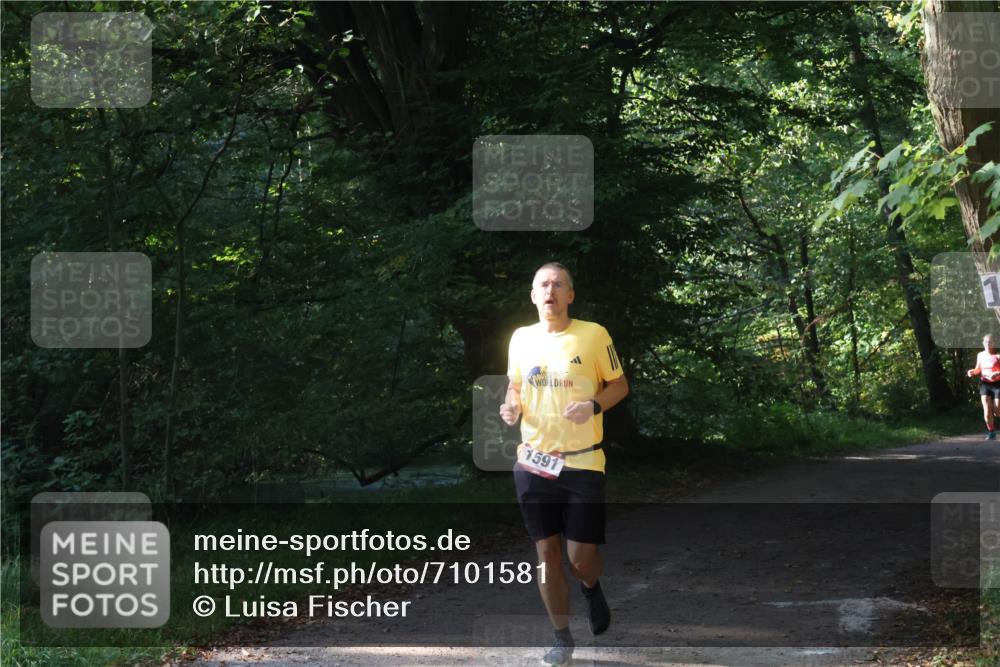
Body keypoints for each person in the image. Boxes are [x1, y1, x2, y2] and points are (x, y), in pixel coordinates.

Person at [499, 262, 629, 666]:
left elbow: (619, 386)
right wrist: (511, 404)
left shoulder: (593, 335)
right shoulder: (520, 338)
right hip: (534, 461)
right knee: (545, 553)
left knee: (579, 559)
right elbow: (515, 384)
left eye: (558, 284)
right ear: (533, 294)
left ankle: (591, 586)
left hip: (583, 462)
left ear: (570, 294)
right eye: (543, 285)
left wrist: (592, 405)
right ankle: (560, 638)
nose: (550, 290)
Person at [967, 334, 1000, 440]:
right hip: (985, 384)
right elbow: (978, 369)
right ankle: (991, 432)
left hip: (997, 384)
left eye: (990, 342)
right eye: (985, 342)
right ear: (983, 343)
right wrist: (971, 372)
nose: (987, 344)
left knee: (997, 410)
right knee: (986, 410)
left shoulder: (998, 356)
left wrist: (997, 373)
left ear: (994, 343)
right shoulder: (980, 355)